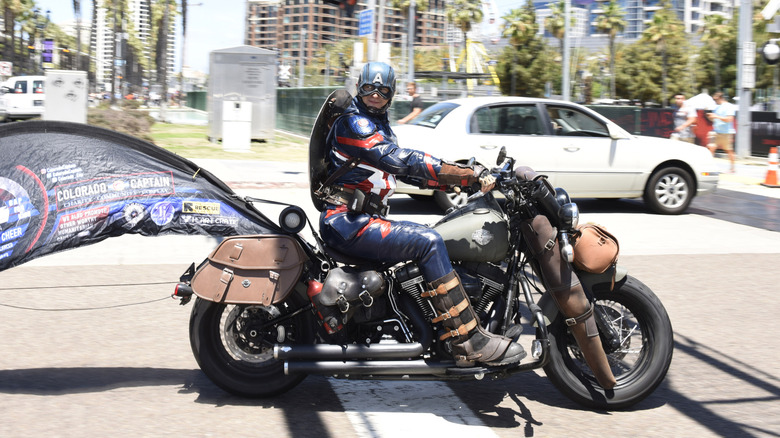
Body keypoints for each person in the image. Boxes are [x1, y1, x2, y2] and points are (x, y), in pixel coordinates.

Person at [315, 62, 527, 367]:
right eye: (368, 88)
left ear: (392, 94)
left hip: (360, 219)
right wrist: (466, 174)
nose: (375, 94)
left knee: (437, 233)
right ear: (358, 88)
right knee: (428, 241)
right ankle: (468, 340)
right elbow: (399, 160)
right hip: (348, 222)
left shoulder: (377, 124)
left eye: (383, 89)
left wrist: (458, 179)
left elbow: (412, 175)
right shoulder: (355, 123)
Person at [706, 91, 736, 173]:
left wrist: (716, 116)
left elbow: (729, 119)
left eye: (716, 100)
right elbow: (715, 119)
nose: (715, 101)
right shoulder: (717, 107)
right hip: (716, 131)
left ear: (720, 98)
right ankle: (709, 167)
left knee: (729, 150)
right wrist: (710, 117)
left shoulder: (729, 106)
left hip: (726, 132)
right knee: (711, 147)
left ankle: (732, 168)